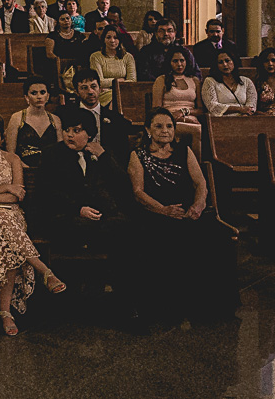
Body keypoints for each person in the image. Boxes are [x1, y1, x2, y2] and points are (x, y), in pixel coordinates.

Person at [0, 109, 65, 336]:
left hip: (10, 213)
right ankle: (44, 271)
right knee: (2, 221)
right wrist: (6, 188)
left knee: (7, 239)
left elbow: (17, 196)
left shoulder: (12, 158)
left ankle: (5, 312)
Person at [127, 108, 238, 320]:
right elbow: (138, 192)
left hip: (188, 211)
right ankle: (171, 308)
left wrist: (198, 205)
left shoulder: (184, 151)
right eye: (159, 126)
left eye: (169, 126)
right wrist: (163, 210)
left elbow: (200, 183)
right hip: (155, 212)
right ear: (148, 130)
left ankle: (212, 306)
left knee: (217, 237)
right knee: (166, 237)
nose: (165, 131)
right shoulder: (137, 155)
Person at [35, 108, 133, 298]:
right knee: (99, 231)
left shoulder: (97, 154)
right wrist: (78, 209)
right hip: (63, 216)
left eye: (77, 130)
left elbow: (122, 186)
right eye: (67, 130)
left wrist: (104, 156)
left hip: (97, 218)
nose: (70, 135)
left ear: (90, 134)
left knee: (126, 228)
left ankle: (122, 295)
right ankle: (87, 286)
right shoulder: (52, 154)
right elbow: (47, 194)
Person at [71, 70, 133, 167]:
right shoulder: (68, 115)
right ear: (76, 92)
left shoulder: (115, 118)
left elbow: (122, 152)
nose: (90, 92)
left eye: (93, 86)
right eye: (84, 88)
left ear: (100, 89)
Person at [4, 76, 61, 167]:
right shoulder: (16, 118)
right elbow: (11, 153)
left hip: (52, 170)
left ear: (48, 96)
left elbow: (61, 152)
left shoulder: (55, 120)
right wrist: (26, 168)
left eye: (42, 92)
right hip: (23, 169)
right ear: (27, 97)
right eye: (34, 93)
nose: (39, 97)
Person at [151, 48, 202, 138]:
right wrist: (177, 117)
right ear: (169, 62)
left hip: (191, 118)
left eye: (182, 60)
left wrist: (183, 112)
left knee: (197, 128)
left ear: (187, 62)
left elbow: (200, 110)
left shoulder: (194, 80)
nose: (179, 64)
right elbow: (156, 109)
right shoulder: (161, 80)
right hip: (168, 119)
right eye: (175, 61)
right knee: (195, 130)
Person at [88, 28, 137, 106]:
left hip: (124, 91)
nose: (112, 40)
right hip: (104, 93)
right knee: (116, 99)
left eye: (115, 38)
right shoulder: (95, 57)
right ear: (104, 39)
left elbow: (132, 80)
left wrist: (111, 84)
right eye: (108, 37)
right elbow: (99, 81)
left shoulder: (128, 57)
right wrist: (119, 81)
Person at [200, 50, 257, 116]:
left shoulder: (246, 81)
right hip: (220, 119)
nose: (225, 64)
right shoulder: (210, 81)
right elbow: (212, 106)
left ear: (234, 61)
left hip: (245, 118)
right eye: (220, 62)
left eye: (227, 61)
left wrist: (245, 115)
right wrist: (239, 109)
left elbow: (252, 104)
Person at [255, 47, 275, 115]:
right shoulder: (257, 83)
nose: (270, 63)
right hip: (264, 117)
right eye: (266, 61)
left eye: (273, 60)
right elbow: (253, 107)